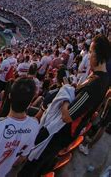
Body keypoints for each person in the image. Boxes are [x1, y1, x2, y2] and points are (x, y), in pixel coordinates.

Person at [19, 34, 111, 176]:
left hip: (60, 133)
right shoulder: (101, 78)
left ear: (98, 54)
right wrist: (72, 87)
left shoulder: (95, 84)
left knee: (32, 167)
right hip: (63, 133)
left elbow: (67, 115)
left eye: (91, 52)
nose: (89, 56)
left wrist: (65, 92)